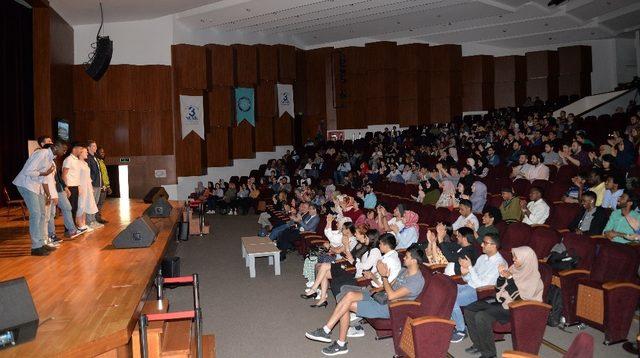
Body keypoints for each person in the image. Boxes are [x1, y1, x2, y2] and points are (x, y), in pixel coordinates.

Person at [305, 243, 425, 356]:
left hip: (389, 307)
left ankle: (338, 341)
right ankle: (327, 331)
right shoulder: (404, 271)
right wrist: (375, 289)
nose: (404, 258)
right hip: (381, 296)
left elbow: (392, 295)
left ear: (414, 261)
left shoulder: (416, 281)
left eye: (407, 257)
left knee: (346, 304)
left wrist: (384, 276)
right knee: (349, 295)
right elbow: (390, 285)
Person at [464, 246, 544, 358]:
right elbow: (497, 289)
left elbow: (519, 300)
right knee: (469, 310)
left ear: (526, 259)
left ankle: (489, 354)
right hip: (502, 302)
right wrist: (501, 277)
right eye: (513, 256)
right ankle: (478, 345)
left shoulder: (534, 278)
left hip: (516, 309)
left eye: (516, 257)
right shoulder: (514, 268)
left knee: (481, 316)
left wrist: (510, 279)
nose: (513, 259)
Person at [450, 233, 507, 343]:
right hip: (469, 286)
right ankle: (451, 322)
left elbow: (482, 285)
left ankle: (461, 330)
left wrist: (470, 267)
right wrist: (464, 273)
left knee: (452, 299)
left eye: (485, 243)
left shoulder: (500, 263)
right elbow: (470, 277)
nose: (481, 245)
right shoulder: (482, 258)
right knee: (446, 290)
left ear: (494, 245)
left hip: (481, 293)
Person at [13, 141, 66, 256]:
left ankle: (42, 243)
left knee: (43, 214)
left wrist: (47, 194)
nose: (64, 151)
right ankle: (36, 247)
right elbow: (28, 171)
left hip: (37, 187)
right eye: (63, 148)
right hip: (26, 185)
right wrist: (44, 173)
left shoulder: (50, 159)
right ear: (55, 147)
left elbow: (44, 179)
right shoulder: (41, 154)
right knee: (36, 214)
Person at [75, 147, 99, 232]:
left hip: (87, 186)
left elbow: (88, 177)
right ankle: (79, 224)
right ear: (80, 153)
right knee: (80, 205)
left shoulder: (85, 163)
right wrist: (78, 187)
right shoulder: (77, 163)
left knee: (85, 205)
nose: (87, 153)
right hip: (81, 187)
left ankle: (84, 223)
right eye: (85, 152)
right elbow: (76, 177)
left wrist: (91, 187)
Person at [62, 144, 83, 227]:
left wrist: (78, 186)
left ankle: (73, 226)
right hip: (70, 187)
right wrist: (66, 188)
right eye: (80, 148)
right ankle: (68, 228)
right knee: (70, 209)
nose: (81, 151)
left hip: (75, 186)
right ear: (74, 149)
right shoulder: (68, 160)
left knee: (74, 208)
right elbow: (64, 175)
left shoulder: (76, 160)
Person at [85, 140, 104, 228]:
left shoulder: (95, 158)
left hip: (98, 184)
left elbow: (99, 173)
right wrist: (90, 185)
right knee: (91, 203)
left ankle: (93, 220)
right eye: (93, 146)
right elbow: (88, 173)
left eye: (95, 146)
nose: (95, 148)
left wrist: (102, 184)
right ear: (88, 148)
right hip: (93, 185)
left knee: (95, 203)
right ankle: (89, 221)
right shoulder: (88, 158)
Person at [96, 147, 111, 223]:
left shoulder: (102, 161)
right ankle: (97, 219)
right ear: (97, 153)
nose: (103, 154)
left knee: (101, 203)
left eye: (103, 152)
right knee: (98, 203)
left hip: (105, 185)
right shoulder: (97, 162)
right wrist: (102, 186)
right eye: (101, 152)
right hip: (100, 186)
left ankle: (98, 217)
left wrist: (108, 186)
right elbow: (99, 175)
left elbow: (105, 175)